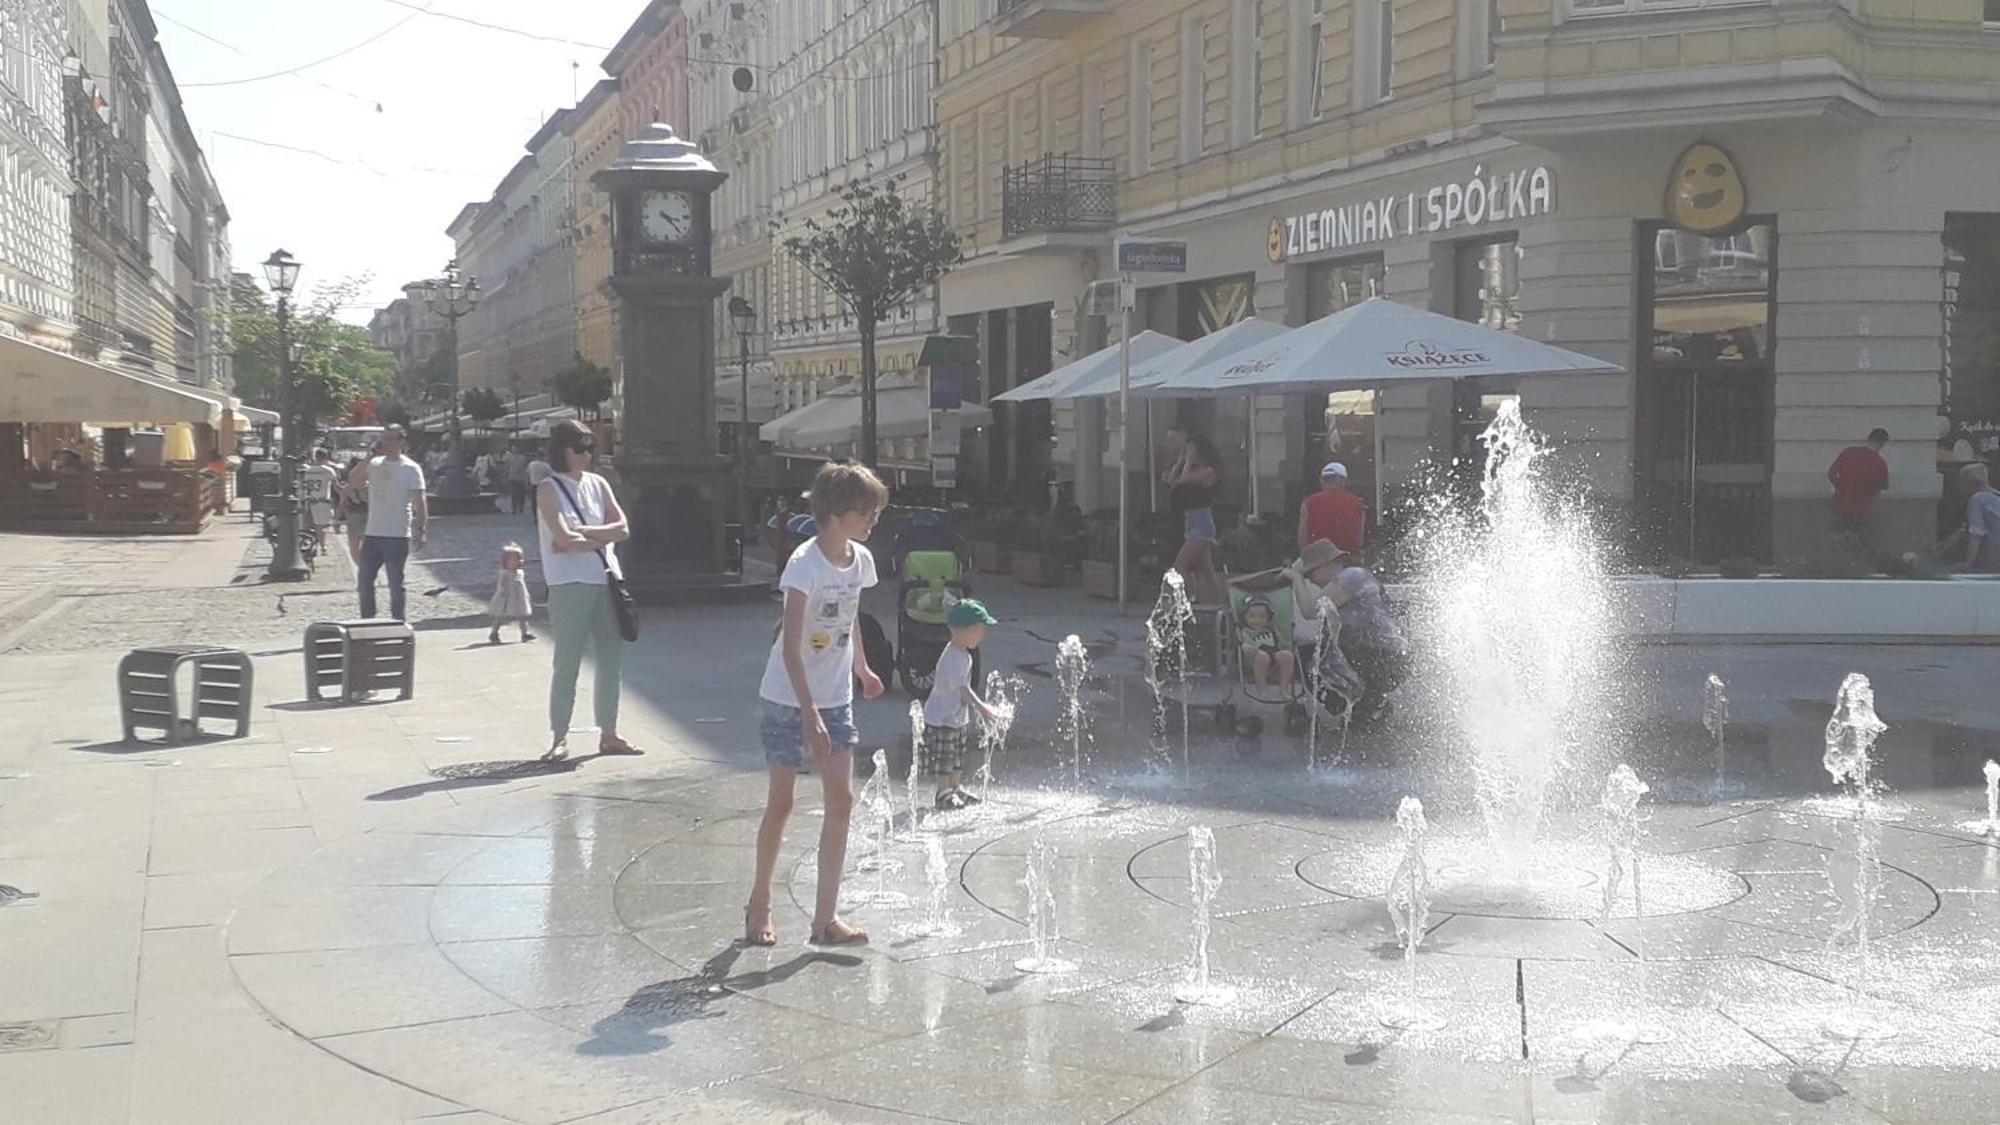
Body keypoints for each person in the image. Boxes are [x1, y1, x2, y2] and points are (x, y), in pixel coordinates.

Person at [746, 460, 890, 948]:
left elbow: (850, 621)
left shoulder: (860, 561)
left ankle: (825, 919)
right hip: (788, 698)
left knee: (842, 802)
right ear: (835, 512)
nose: (873, 521)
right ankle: (760, 903)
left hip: (836, 698)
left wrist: (863, 669)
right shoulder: (805, 565)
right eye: (866, 512)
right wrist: (808, 712)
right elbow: (790, 647)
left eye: (875, 512)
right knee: (782, 802)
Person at [536, 419, 638, 760]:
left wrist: (585, 534)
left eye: (589, 448)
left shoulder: (598, 483)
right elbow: (562, 537)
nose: (585, 455)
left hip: (605, 578)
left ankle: (609, 733)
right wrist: (590, 536)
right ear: (561, 450)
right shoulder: (548, 488)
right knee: (567, 661)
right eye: (578, 449)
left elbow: (623, 528)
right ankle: (559, 736)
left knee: (611, 659)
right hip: (568, 583)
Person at [922, 599, 1001, 811]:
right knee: (945, 758)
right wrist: (982, 708)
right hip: (942, 719)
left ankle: (955, 790)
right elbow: (963, 689)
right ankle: (943, 793)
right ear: (965, 630)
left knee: (957, 757)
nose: (983, 634)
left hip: (955, 717)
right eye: (980, 629)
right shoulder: (953, 657)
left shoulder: (964, 655)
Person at [1282, 539, 1365, 718]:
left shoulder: (1348, 578)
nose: (1311, 580)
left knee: (1310, 660)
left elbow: (1310, 611)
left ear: (1326, 565)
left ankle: (1346, 703)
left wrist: (1297, 578)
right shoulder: (1352, 575)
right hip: (1362, 646)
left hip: (1368, 649)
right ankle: (1347, 705)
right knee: (1310, 657)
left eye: (1311, 574)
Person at [353, 426, 427, 620]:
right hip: (373, 533)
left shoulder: (411, 468)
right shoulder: (374, 464)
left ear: (401, 441)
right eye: (384, 439)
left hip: (397, 534)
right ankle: (367, 621)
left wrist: (422, 529)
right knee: (364, 581)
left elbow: (419, 501)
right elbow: (354, 481)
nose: (386, 443)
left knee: (395, 583)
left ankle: (397, 621)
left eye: (390, 439)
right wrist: (369, 456)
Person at [1162, 423, 1224, 605]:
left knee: (1180, 566)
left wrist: (1188, 460)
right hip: (1190, 521)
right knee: (1207, 570)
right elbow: (1173, 482)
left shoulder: (1208, 471)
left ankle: (1187, 602)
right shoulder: (1188, 467)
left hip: (1201, 523)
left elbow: (1184, 480)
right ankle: (1217, 602)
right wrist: (1181, 460)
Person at [1827, 428, 1890, 544]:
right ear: (1883, 444)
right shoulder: (1880, 463)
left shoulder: (1848, 452)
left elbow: (1831, 474)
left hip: (1840, 504)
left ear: (1868, 439)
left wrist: (1840, 488)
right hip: (1862, 510)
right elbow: (1879, 490)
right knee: (1861, 541)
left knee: (1836, 541)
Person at [1298, 461, 1367, 555]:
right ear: (1343, 481)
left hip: (1316, 561)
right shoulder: (1358, 503)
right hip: (1348, 559)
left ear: (1322, 481)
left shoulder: (1308, 503)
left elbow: (1302, 539)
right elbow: (1360, 539)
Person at [1236, 596, 1294, 690]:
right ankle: (1261, 687)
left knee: (1287, 655)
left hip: (1272, 656)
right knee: (1262, 656)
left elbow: (1279, 644)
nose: (1257, 620)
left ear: (1268, 618)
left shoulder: (1271, 630)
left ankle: (1284, 687)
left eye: (1262, 617)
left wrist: (1283, 646)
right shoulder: (1245, 631)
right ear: (1244, 617)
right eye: (1252, 616)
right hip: (1253, 658)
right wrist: (1251, 649)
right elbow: (1243, 645)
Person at [488, 542, 536, 644]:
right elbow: (501, 584)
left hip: (518, 597)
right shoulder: (504, 573)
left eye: (520, 558)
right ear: (506, 561)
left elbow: (521, 584)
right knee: (499, 615)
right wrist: (503, 591)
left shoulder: (520, 572)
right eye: (516, 559)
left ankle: (525, 633)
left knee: (523, 615)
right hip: (506, 597)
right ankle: (494, 633)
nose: (519, 561)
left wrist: (526, 594)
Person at [1962, 463, 2000, 573]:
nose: (1961, 486)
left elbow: (1976, 534)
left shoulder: (1977, 499)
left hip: (1994, 561)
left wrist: (1968, 565)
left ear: (1973, 482)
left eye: (1963, 481)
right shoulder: (1996, 497)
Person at [299, 448, 339, 554]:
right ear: (326, 457)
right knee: (321, 526)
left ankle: (313, 546)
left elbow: (304, 486)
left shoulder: (308, 470)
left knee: (312, 526)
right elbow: (336, 485)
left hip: (310, 501)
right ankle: (323, 547)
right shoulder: (328, 470)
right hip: (323, 501)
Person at [337, 451, 372, 563]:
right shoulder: (372, 486)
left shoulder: (347, 487)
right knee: (368, 544)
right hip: (369, 516)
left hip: (353, 516)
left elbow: (342, 503)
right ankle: (367, 567)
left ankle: (362, 567)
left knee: (354, 546)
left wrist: (337, 518)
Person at [505, 445, 530, 515]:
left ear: (518, 449)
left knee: (522, 494)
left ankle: (521, 508)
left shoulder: (523, 458)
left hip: (521, 478)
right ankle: (514, 509)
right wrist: (506, 476)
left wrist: (526, 479)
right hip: (512, 477)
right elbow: (507, 467)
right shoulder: (509, 458)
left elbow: (525, 468)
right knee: (513, 493)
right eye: (513, 449)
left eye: (515, 449)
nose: (514, 450)